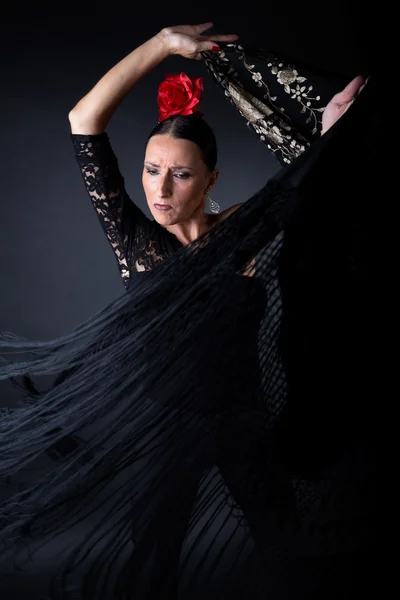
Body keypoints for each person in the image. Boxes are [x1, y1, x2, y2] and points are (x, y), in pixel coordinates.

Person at [0, 22, 377, 600]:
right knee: (154, 560)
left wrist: (331, 133)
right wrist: (162, 44)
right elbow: (84, 120)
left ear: (209, 182)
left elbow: (306, 182)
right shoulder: (136, 244)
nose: (161, 190)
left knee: (286, 548)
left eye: (179, 174)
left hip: (242, 426)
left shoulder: (244, 232)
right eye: (152, 170)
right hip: (161, 434)